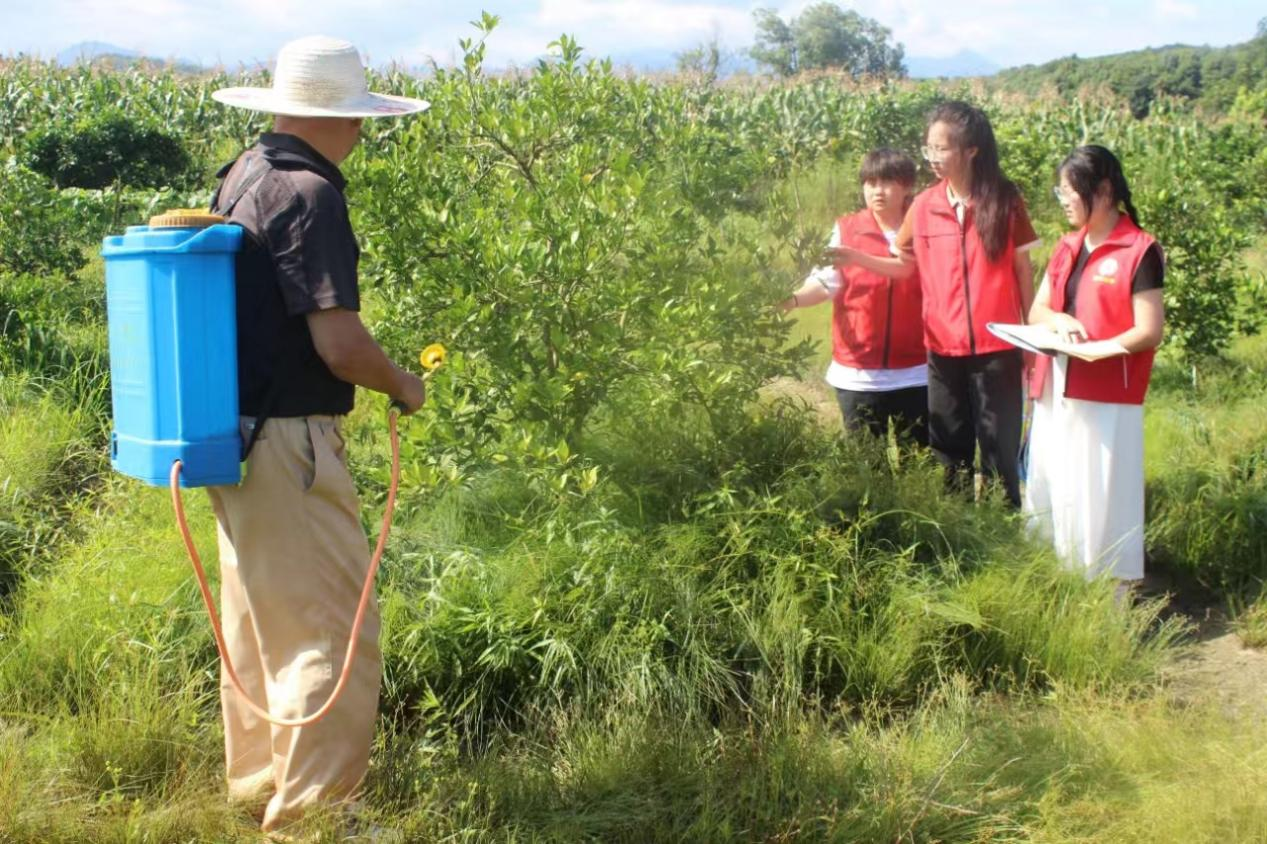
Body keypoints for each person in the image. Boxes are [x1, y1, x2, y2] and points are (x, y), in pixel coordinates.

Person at [205, 36, 429, 836]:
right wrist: (402, 382)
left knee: (261, 618)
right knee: (332, 627)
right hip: (290, 443)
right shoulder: (309, 192)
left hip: (232, 437)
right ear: (349, 120)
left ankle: (259, 776)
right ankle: (315, 813)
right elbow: (338, 343)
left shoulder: (244, 174)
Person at [1024, 145, 1164, 590]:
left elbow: (1149, 329)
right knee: (1056, 484)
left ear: (1102, 192)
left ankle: (1109, 598)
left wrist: (1100, 350)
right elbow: (1037, 311)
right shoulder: (1067, 246)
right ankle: (1060, 581)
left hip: (1106, 391)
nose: (1062, 200)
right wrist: (1059, 319)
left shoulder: (1138, 250)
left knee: (1100, 491)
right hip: (1056, 386)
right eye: (1059, 190)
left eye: (1069, 191)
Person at [894, 101, 1040, 507]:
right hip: (942, 348)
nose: (934, 158)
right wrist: (849, 261)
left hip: (999, 348)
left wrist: (1031, 340)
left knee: (998, 449)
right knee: (948, 450)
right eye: (929, 148)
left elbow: (1023, 272)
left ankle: (1001, 530)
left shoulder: (1005, 200)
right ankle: (956, 531)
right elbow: (901, 260)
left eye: (943, 148)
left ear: (971, 149)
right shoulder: (923, 206)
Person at [781, 148, 928, 446]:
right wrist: (792, 300)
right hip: (857, 373)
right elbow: (825, 282)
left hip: (916, 372)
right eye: (870, 183)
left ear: (907, 186)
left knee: (917, 465)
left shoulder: (925, 230)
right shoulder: (846, 229)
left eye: (887, 182)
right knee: (867, 466)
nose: (877, 191)